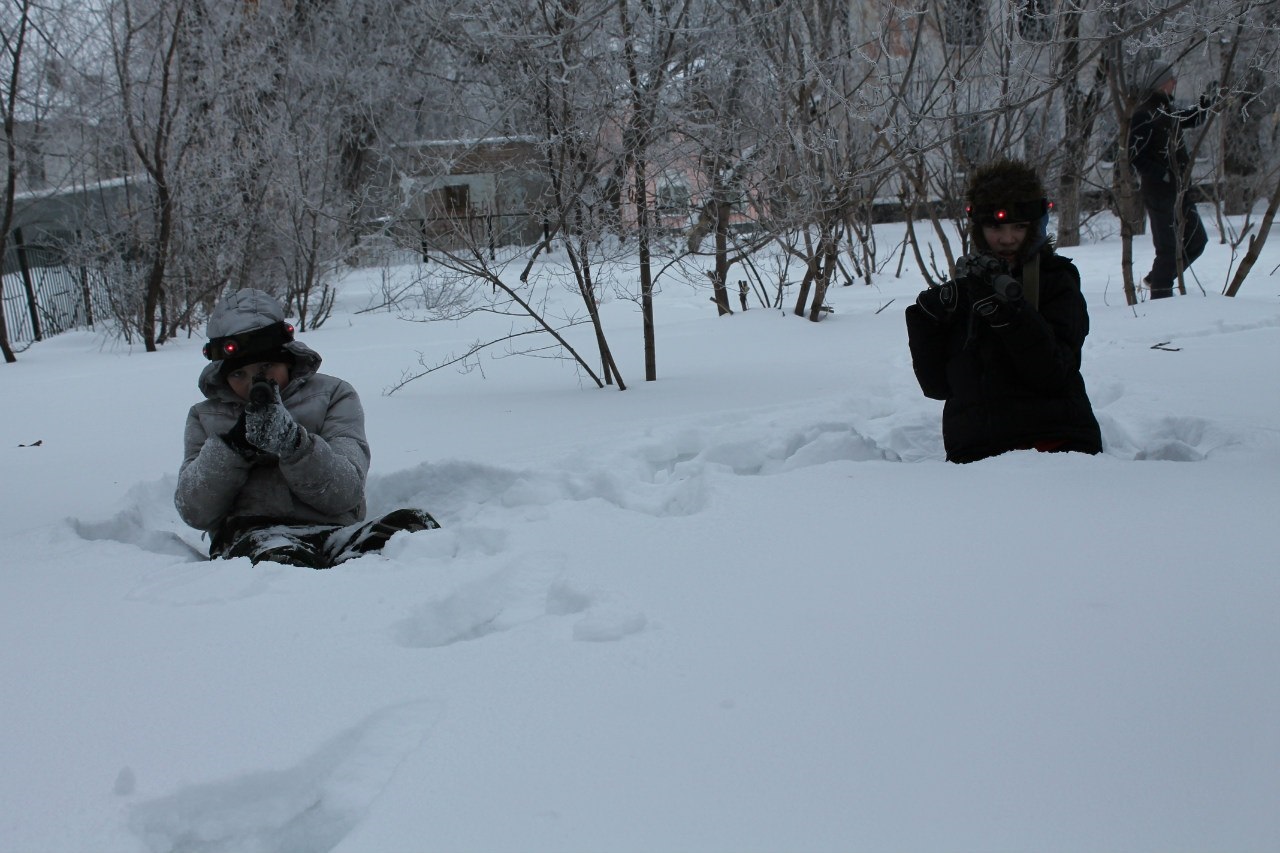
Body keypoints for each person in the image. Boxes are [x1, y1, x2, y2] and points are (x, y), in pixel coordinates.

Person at [175, 289, 438, 567]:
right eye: (239, 374)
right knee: (281, 560)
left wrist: (294, 445)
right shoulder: (205, 416)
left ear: (287, 360)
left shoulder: (333, 395)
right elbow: (194, 511)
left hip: (334, 533)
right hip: (251, 538)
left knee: (413, 528)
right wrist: (233, 448)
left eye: (267, 366)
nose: (253, 383)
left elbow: (346, 493)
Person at [905, 159, 1103, 464]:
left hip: (1056, 443)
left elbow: (1053, 374)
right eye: (996, 227)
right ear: (979, 228)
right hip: (978, 453)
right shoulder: (967, 288)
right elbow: (937, 387)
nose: (1007, 238)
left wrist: (1009, 315)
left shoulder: (1057, 280)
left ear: (1034, 226)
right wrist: (926, 322)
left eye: (1019, 227)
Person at [1128, 58, 1214, 299]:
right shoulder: (1144, 115)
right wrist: (1163, 175)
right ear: (1158, 83)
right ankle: (1161, 296)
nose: (1174, 82)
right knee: (1167, 249)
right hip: (1159, 191)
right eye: (1170, 79)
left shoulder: (1166, 111)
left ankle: (1157, 279)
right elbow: (1134, 156)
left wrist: (1206, 102)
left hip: (1179, 190)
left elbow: (1191, 119)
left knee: (1197, 240)